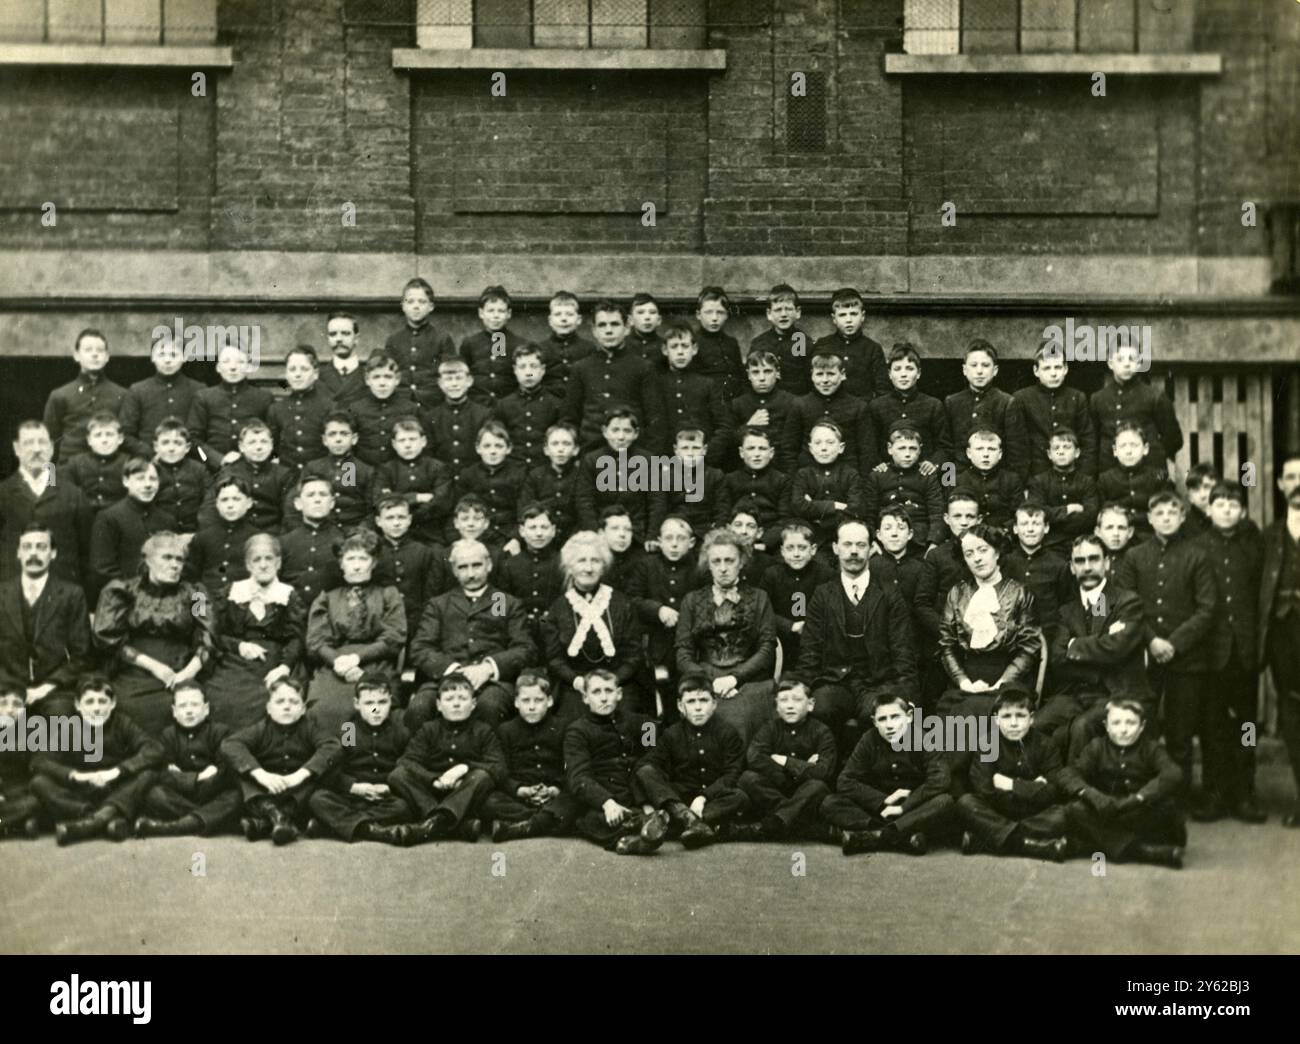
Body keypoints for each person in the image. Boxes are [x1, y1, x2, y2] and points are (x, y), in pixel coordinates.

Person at [1115, 491, 1218, 811]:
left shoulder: (1197, 554)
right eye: (1159, 513)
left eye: (1172, 513)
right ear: (1149, 518)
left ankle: (1178, 801)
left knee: (1180, 735)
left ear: (1183, 516)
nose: (1166, 518)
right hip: (1145, 657)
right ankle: (1141, 795)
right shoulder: (1135, 557)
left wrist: (1174, 643)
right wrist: (1152, 641)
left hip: (1187, 660)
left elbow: (1207, 608)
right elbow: (1125, 604)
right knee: (1142, 727)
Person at [795, 519, 918, 738]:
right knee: (821, 708)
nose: (854, 551)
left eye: (861, 545)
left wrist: (906, 694)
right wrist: (803, 690)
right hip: (835, 682)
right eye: (847, 544)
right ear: (835, 548)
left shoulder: (889, 594)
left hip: (878, 682)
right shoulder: (823, 595)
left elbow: (903, 649)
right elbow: (810, 650)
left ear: (871, 549)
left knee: (881, 713)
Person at [1037, 535, 1153, 761]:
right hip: (1076, 695)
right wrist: (1100, 648)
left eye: (1094, 559)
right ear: (1071, 567)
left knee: (1082, 727)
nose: (1087, 567)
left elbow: (1118, 649)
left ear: (1107, 563)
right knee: (1036, 725)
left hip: (1118, 692)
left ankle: (1076, 792)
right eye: (1080, 561)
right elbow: (1059, 660)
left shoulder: (1126, 602)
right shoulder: (1066, 611)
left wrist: (1074, 646)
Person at [93, 532, 215, 736]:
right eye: (167, 557)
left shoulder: (196, 594)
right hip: (134, 666)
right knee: (128, 705)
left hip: (182, 666)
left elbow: (207, 634)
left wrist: (188, 673)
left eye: (180, 559)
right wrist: (153, 666)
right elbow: (107, 637)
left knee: (187, 704)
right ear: (148, 560)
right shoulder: (124, 591)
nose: (175, 565)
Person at [406, 539, 535, 730]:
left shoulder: (503, 602)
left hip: (492, 683)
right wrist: (451, 670)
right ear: (454, 571)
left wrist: (488, 668)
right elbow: (420, 648)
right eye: (463, 567)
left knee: (490, 706)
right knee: (420, 706)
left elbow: (525, 648)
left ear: (489, 565)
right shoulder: (439, 604)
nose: (471, 573)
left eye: (477, 565)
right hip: (445, 680)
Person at [1198, 482, 1266, 823]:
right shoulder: (1197, 547)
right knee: (1212, 726)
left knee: (1246, 725)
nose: (1226, 509)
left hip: (1244, 652)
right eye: (1219, 503)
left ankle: (1245, 793)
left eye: (1233, 504)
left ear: (1242, 511)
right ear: (1208, 509)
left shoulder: (1254, 547)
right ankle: (1215, 792)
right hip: (1210, 654)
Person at [31, 674, 163, 845]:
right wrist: (76, 775)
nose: (96, 708)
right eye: (89, 702)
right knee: (39, 782)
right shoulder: (69, 727)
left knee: (148, 774)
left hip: (116, 789)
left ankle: (93, 823)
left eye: (102, 701)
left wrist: (117, 771)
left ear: (113, 703)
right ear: (78, 705)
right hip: (82, 792)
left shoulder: (122, 723)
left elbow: (154, 749)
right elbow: (39, 760)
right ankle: (102, 819)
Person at [675, 528, 777, 745]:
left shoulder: (760, 598)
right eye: (716, 561)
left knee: (741, 716)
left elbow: (767, 649)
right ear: (708, 564)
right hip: (703, 678)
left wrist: (734, 679)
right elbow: (683, 653)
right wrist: (708, 681)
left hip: (749, 680)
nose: (723, 568)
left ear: (741, 562)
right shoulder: (691, 601)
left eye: (729, 560)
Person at [822, 694, 955, 855]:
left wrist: (902, 807)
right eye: (882, 719)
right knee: (830, 802)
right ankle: (901, 837)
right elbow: (845, 780)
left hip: (913, 808)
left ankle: (875, 836)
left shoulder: (926, 739)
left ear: (909, 717)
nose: (889, 725)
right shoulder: (869, 739)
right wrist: (883, 800)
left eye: (895, 717)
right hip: (880, 810)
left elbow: (940, 780)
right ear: (874, 722)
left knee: (944, 802)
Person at [1062, 698, 1186, 868]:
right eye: (1116, 723)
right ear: (1106, 726)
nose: (1123, 730)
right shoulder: (1097, 747)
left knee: (1168, 806)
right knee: (1074, 809)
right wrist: (1095, 796)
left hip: (1138, 812)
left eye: (1131, 723)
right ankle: (1143, 851)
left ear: (1142, 726)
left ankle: (1101, 845)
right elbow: (1069, 774)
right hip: (1109, 810)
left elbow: (1173, 773)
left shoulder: (1151, 748)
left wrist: (1139, 798)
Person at [304, 529, 405, 735]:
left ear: (374, 563)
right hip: (334, 667)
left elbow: (394, 637)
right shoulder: (327, 598)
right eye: (350, 559)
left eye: (363, 558)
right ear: (341, 564)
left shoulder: (388, 595)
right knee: (325, 709)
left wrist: (357, 658)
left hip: (376, 664)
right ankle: (335, 757)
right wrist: (338, 662)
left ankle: (362, 758)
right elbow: (316, 641)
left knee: (370, 707)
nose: (357, 565)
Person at [221, 677, 342, 845]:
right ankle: (278, 817)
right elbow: (230, 744)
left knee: (327, 769)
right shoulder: (260, 729)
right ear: (269, 708)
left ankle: (268, 822)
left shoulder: (310, 729)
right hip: (265, 791)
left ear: (302, 709)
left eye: (293, 702)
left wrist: (300, 775)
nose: (287, 706)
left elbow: (333, 746)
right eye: (280, 702)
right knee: (236, 767)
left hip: (298, 794)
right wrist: (261, 774)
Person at [936, 524, 1041, 718]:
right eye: (969, 553)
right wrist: (964, 682)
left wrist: (1002, 682)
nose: (976, 558)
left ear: (997, 552)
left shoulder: (1020, 593)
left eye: (983, 550)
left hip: (1009, 680)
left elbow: (1030, 647)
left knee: (984, 711)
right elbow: (947, 645)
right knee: (949, 714)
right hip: (966, 680)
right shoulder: (957, 593)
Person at [633, 675, 750, 848]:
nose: (697, 708)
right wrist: (649, 803)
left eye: (703, 701)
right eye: (691, 702)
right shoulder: (671, 734)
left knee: (740, 797)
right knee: (645, 771)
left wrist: (704, 797)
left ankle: (676, 824)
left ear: (714, 704)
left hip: (713, 799)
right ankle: (690, 821)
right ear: (681, 706)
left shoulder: (728, 733)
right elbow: (647, 764)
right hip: (680, 798)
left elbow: (733, 773)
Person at [955, 688, 1071, 862]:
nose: (1014, 723)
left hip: (1033, 813)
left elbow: (1054, 790)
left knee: (1064, 813)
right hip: (998, 812)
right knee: (967, 803)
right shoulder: (988, 743)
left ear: (1031, 719)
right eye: (1007, 717)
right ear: (996, 720)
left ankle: (986, 841)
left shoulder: (1046, 744)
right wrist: (1034, 787)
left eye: (1021, 716)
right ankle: (1031, 844)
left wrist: (1010, 785)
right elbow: (984, 790)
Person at [389, 672, 505, 844]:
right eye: (449, 699)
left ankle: (434, 823)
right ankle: (454, 825)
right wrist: (433, 780)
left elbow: (499, 766)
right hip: (432, 791)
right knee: (398, 774)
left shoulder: (483, 731)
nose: (456, 704)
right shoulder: (429, 729)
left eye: (462, 698)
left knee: (482, 776)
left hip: (464, 789)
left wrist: (464, 768)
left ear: (473, 704)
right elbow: (407, 761)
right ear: (439, 705)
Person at [206, 534, 307, 729]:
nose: (263, 565)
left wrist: (284, 667)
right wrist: (239, 645)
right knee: (221, 696)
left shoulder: (288, 595)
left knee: (270, 698)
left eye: (268, 558)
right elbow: (215, 633)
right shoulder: (232, 592)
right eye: (256, 559)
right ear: (248, 565)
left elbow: (296, 638)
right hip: (236, 658)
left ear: (278, 563)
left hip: (277, 660)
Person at [541, 531, 645, 721]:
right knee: (570, 724)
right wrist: (577, 681)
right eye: (581, 561)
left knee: (630, 723)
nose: (588, 568)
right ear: (570, 567)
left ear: (603, 566)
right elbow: (554, 659)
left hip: (618, 683)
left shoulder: (622, 603)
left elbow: (634, 654)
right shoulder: (559, 607)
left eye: (595, 561)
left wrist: (614, 680)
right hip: (576, 686)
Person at [563, 669, 666, 855]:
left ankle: (639, 829)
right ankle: (640, 832)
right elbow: (578, 776)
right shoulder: (576, 732)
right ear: (585, 698)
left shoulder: (644, 724)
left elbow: (654, 757)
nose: (604, 698)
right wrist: (607, 802)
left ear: (619, 694)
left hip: (637, 793)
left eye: (609, 691)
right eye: (596, 692)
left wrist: (645, 800)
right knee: (590, 819)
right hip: (605, 795)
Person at [306, 673, 412, 846]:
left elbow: (406, 766)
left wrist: (388, 787)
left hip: (383, 796)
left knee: (403, 808)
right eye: (369, 703)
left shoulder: (399, 731)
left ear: (391, 702)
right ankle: (372, 830)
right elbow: (336, 766)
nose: (376, 709)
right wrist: (354, 787)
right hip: (353, 795)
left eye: (382, 702)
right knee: (318, 799)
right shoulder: (350, 731)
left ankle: (332, 826)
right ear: (357, 704)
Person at [0, 524, 91, 714]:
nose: (33, 554)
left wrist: (47, 687)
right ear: (18, 553)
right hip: (6, 689)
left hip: (54, 690)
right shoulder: (2, 594)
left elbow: (81, 656)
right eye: (27, 547)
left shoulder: (71, 594)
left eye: (41, 547)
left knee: (61, 719)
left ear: (53, 553)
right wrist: (12, 691)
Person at [135, 683, 241, 838]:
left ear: (206, 709)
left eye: (195, 705)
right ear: (174, 712)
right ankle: (210, 820)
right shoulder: (168, 735)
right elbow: (164, 771)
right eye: (183, 706)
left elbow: (224, 768)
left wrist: (183, 775)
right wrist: (196, 778)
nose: (189, 710)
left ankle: (176, 826)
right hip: (181, 795)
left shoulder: (220, 732)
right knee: (154, 794)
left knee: (236, 796)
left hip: (212, 791)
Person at [735, 680, 836, 841]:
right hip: (777, 788)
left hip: (805, 790)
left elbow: (824, 771)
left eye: (797, 700)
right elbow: (754, 757)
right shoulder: (769, 728)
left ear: (810, 704)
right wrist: (802, 768)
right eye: (783, 700)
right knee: (748, 778)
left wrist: (784, 760)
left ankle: (773, 823)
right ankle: (793, 821)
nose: (790, 706)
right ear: (776, 706)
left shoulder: (822, 732)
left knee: (818, 786)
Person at [484, 672, 579, 841]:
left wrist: (555, 789)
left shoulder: (564, 727)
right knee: (490, 801)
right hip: (521, 796)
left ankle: (525, 825)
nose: (532, 707)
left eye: (538, 700)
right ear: (516, 703)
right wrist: (520, 790)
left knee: (576, 797)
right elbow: (500, 769)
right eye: (526, 701)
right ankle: (545, 820)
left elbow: (572, 766)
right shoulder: (506, 730)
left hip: (554, 794)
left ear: (549, 701)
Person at [1258, 453, 1300, 827]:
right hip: (1284, 637)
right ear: (1281, 485)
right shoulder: (1269, 536)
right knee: (1291, 713)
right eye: (1292, 477)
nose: (1298, 484)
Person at [0, 421, 92, 587]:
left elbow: (87, 553)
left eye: (42, 442)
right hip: (10, 596)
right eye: (28, 443)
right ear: (16, 448)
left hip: (63, 594)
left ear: (51, 448)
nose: (36, 449)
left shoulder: (73, 495)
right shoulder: (3, 494)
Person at [943, 339, 1029, 482]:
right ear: (964, 370)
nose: (979, 371)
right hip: (960, 480)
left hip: (996, 482)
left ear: (995, 370)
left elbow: (1017, 454)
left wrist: (1012, 485)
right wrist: (949, 485)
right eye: (974, 365)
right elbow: (946, 450)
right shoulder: (952, 402)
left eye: (985, 365)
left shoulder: (1007, 402)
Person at [43, 328, 126, 464]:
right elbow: (49, 445)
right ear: (76, 355)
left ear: (107, 357)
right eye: (88, 350)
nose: (95, 354)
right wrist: (52, 483)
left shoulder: (122, 394)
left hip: (110, 471)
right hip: (68, 471)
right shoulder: (59, 395)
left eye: (99, 350)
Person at [186, 344, 274, 472]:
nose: (233, 367)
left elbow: (274, 438)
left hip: (255, 469)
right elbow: (193, 441)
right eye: (226, 362)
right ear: (218, 367)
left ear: (249, 366)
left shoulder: (263, 398)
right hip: (212, 470)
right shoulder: (204, 397)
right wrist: (217, 459)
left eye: (240, 362)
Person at [119, 336, 204, 458]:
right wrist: (149, 453)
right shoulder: (137, 390)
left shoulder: (198, 390)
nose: (167, 360)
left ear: (184, 357)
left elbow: (202, 437)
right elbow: (125, 433)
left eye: (174, 355)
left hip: (189, 461)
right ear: (153, 357)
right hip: (149, 461)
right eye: (161, 355)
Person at [382, 277, 456, 410]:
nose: (416, 306)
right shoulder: (393, 340)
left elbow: (449, 376)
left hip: (432, 405)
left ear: (431, 306)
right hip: (401, 405)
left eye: (422, 302)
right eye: (410, 302)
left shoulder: (442, 338)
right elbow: (388, 376)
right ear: (403, 306)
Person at [267, 345, 333, 471]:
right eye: (292, 369)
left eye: (304, 369)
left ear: (315, 374)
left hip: (320, 478)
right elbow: (272, 451)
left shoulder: (329, 407)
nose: (297, 374)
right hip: (288, 480)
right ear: (286, 375)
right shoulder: (276, 409)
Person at [0, 686, 40, 837]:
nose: (9, 710)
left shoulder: (32, 733)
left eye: (16, 705)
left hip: (18, 791)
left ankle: (7, 824)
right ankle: (18, 824)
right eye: (3, 704)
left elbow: (37, 766)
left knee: (36, 801)